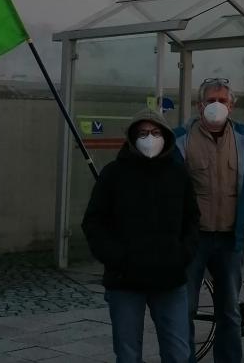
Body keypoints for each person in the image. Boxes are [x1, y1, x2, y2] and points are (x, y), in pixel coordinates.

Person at [83, 109, 200, 363]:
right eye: (143, 133)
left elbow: (192, 219)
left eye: (156, 132)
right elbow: (93, 222)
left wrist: (182, 254)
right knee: (127, 354)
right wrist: (116, 257)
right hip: (125, 281)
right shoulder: (113, 174)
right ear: (132, 137)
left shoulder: (178, 174)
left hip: (170, 279)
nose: (150, 138)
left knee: (178, 353)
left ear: (166, 137)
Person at [175, 78, 244, 363]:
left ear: (231, 106)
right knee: (185, 308)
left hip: (229, 239)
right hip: (194, 239)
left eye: (223, 100)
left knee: (230, 310)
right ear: (200, 106)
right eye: (211, 101)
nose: (217, 106)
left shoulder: (243, 137)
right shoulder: (182, 138)